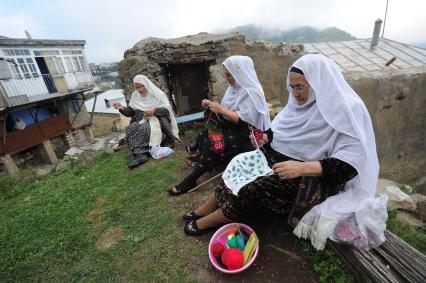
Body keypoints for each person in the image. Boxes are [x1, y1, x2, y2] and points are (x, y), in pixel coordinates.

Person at [182, 54, 387, 251]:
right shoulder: (297, 106)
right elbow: (279, 131)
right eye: (291, 87)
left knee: (253, 188)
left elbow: (349, 165)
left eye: (300, 87)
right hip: (278, 162)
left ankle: (209, 221)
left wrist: (301, 167)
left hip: (311, 176)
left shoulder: (346, 110)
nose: (295, 94)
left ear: (318, 84)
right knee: (238, 162)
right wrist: (266, 137)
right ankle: (205, 209)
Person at [168, 55, 271, 195]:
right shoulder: (233, 89)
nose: (227, 79)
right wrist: (211, 105)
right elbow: (226, 111)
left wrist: (221, 110)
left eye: (230, 75)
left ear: (240, 73)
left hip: (248, 134)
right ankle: (205, 163)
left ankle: (192, 178)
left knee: (214, 143)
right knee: (204, 134)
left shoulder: (252, 92)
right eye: (226, 75)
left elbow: (246, 121)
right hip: (231, 128)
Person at [113, 75, 179, 169]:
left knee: (145, 128)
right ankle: (139, 155)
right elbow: (131, 112)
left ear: (146, 84)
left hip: (158, 120)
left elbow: (166, 110)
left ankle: (147, 150)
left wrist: (154, 110)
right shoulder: (135, 96)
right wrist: (122, 108)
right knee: (131, 128)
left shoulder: (157, 94)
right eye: (137, 87)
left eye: (142, 86)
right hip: (141, 120)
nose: (140, 89)